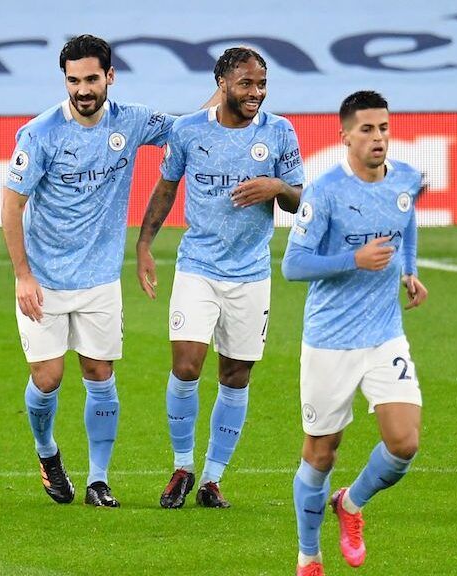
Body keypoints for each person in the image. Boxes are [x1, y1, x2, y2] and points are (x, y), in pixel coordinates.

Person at [1, 34, 179, 508]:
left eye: (91, 79)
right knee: (47, 379)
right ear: (65, 80)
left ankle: (99, 480)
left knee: (100, 374)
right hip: (44, 279)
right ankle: (47, 453)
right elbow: (11, 206)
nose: (82, 89)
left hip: (100, 279)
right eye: (73, 80)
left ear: (109, 77)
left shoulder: (132, 121)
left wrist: (224, 94)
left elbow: (188, 129)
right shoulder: (39, 134)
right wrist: (22, 275)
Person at [135, 47, 304, 509]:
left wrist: (277, 187)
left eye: (262, 84)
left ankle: (212, 479)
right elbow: (167, 186)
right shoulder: (189, 130)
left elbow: (299, 200)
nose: (256, 93)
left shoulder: (279, 132)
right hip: (199, 267)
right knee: (186, 366)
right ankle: (182, 466)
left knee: (235, 375)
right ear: (222, 83)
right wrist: (145, 243)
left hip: (251, 274)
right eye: (246, 83)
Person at [281, 90, 428, 576]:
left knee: (404, 443)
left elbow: (406, 221)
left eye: (383, 128)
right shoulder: (325, 192)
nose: (378, 138)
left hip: (385, 334)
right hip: (329, 340)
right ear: (344, 135)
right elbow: (293, 266)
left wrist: (409, 270)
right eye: (367, 129)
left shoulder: (405, 179)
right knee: (321, 453)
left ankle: (350, 503)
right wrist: (354, 260)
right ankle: (308, 555)